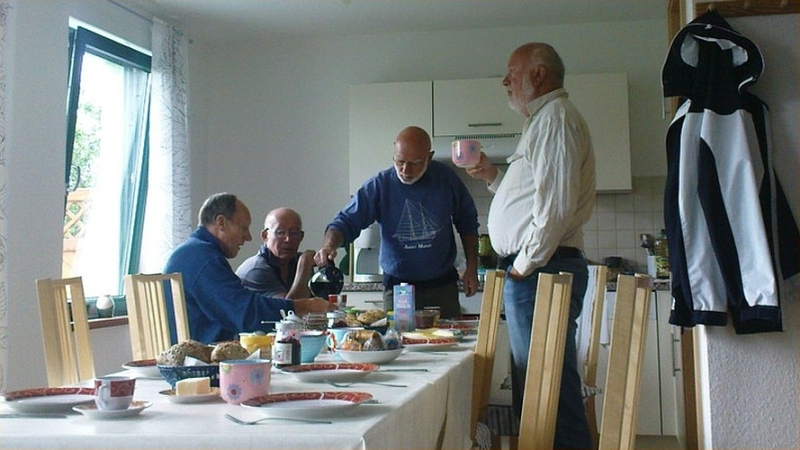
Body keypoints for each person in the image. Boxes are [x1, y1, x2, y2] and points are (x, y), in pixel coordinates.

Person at [465, 43, 596, 449]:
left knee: (548, 388)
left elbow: (555, 207)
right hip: (540, 269)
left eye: (512, 71)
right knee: (540, 386)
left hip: (543, 270)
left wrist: (524, 265)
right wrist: (493, 177)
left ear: (538, 74)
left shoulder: (556, 118)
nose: (505, 81)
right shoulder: (542, 121)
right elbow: (534, 197)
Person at [314, 126, 480, 319]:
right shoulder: (380, 185)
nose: (405, 170)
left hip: (442, 287)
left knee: (449, 336)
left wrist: (472, 267)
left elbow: (467, 221)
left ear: (429, 157)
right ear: (394, 151)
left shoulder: (446, 179)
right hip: (398, 288)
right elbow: (344, 221)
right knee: (398, 337)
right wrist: (328, 246)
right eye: (400, 161)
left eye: (415, 163)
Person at [164, 193, 334, 343]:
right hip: (200, 358)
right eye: (243, 228)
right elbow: (247, 315)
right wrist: (306, 306)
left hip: (198, 351)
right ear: (221, 223)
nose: (248, 237)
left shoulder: (194, 252)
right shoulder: (203, 259)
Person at [235, 207, 316, 299]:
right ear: (265, 236)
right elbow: (289, 306)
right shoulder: (256, 269)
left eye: (294, 233)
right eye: (280, 232)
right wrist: (304, 267)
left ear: (301, 237)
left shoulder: (297, 261)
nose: (288, 239)